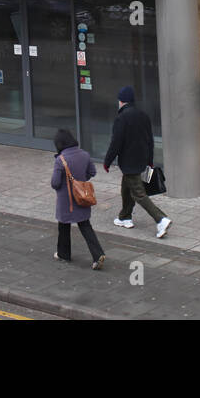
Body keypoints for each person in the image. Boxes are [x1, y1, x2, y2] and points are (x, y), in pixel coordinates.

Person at [103, 86, 171, 238]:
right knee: (126, 188)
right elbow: (150, 140)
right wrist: (150, 160)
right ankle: (125, 217)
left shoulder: (122, 118)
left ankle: (161, 219)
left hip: (129, 162)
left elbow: (116, 142)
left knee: (139, 194)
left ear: (121, 101)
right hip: (141, 159)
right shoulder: (143, 115)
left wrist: (107, 161)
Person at [50, 128, 105, 270]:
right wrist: (79, 183)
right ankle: (97, 254)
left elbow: (55, 183)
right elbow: (92, 172)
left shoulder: (60, 160)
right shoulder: (84, 154)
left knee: (63, 226)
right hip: (82, 197)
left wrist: (68, 185)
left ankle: (64, 254)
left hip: (66, 200)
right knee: (86, 226)